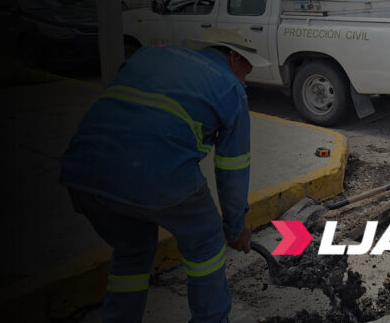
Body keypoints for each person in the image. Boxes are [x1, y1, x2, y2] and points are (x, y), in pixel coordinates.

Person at [60, 27, 267, 322]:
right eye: (246, 70)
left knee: (132, 250)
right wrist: (235, 230)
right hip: (156, 173)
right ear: (233, 57)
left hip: (83, 170)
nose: (245, 79)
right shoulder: (229, 87)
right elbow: (233, 167)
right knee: (206, 242)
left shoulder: (149, 55)